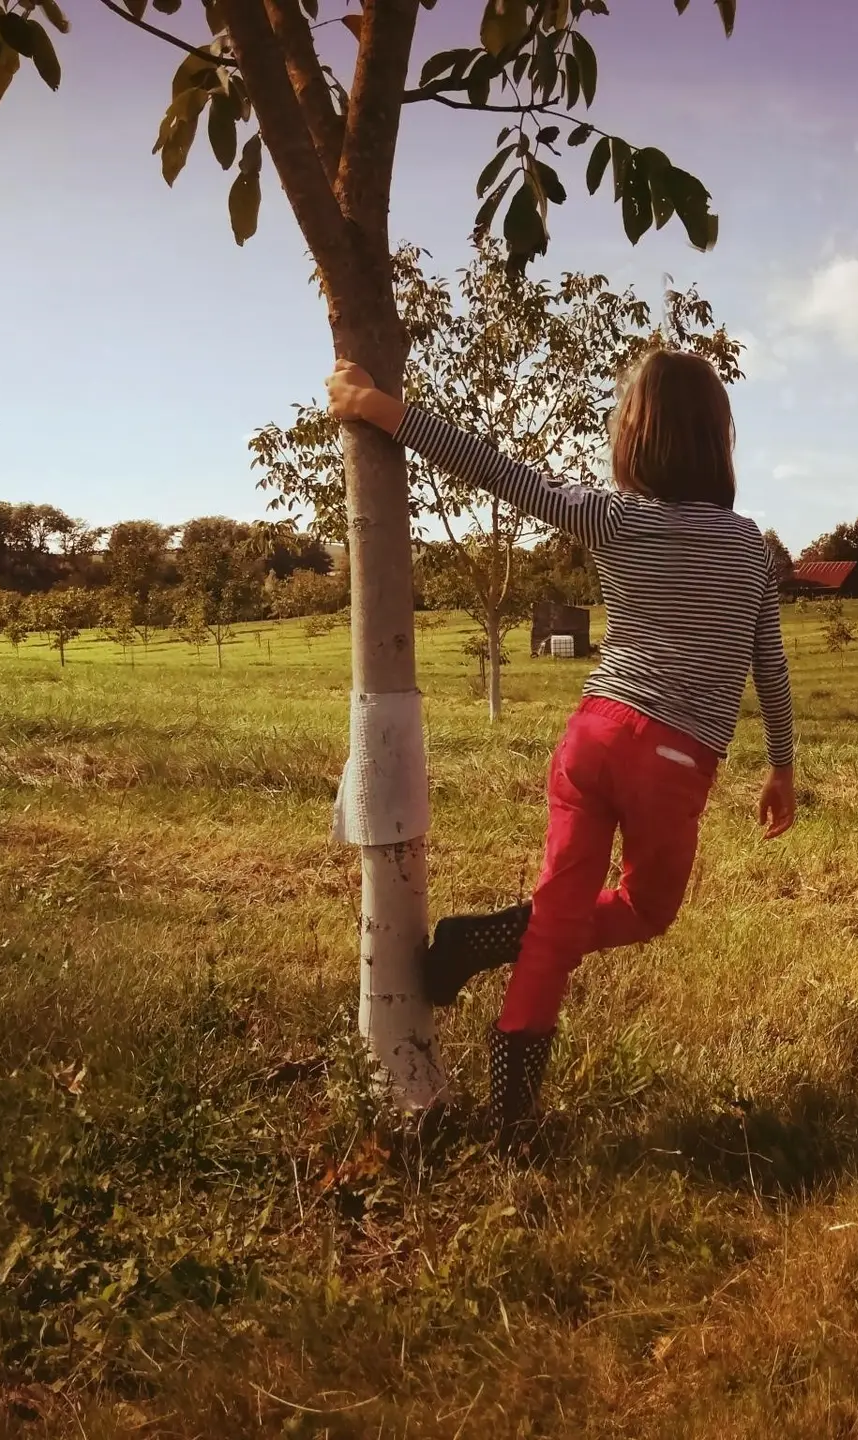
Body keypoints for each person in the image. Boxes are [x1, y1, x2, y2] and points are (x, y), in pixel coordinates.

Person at [325, 349, 797, 1139]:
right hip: (675, 762)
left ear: (634, 438)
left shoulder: (617, 519)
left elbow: (500, 472)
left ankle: (512, 1117)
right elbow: (769, 665)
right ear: (719, 440)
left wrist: (379, 409)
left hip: (594, 737)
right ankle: (495, 951)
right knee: (646, 909)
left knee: (555, 924)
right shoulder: (749, 546)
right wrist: (781, 765)